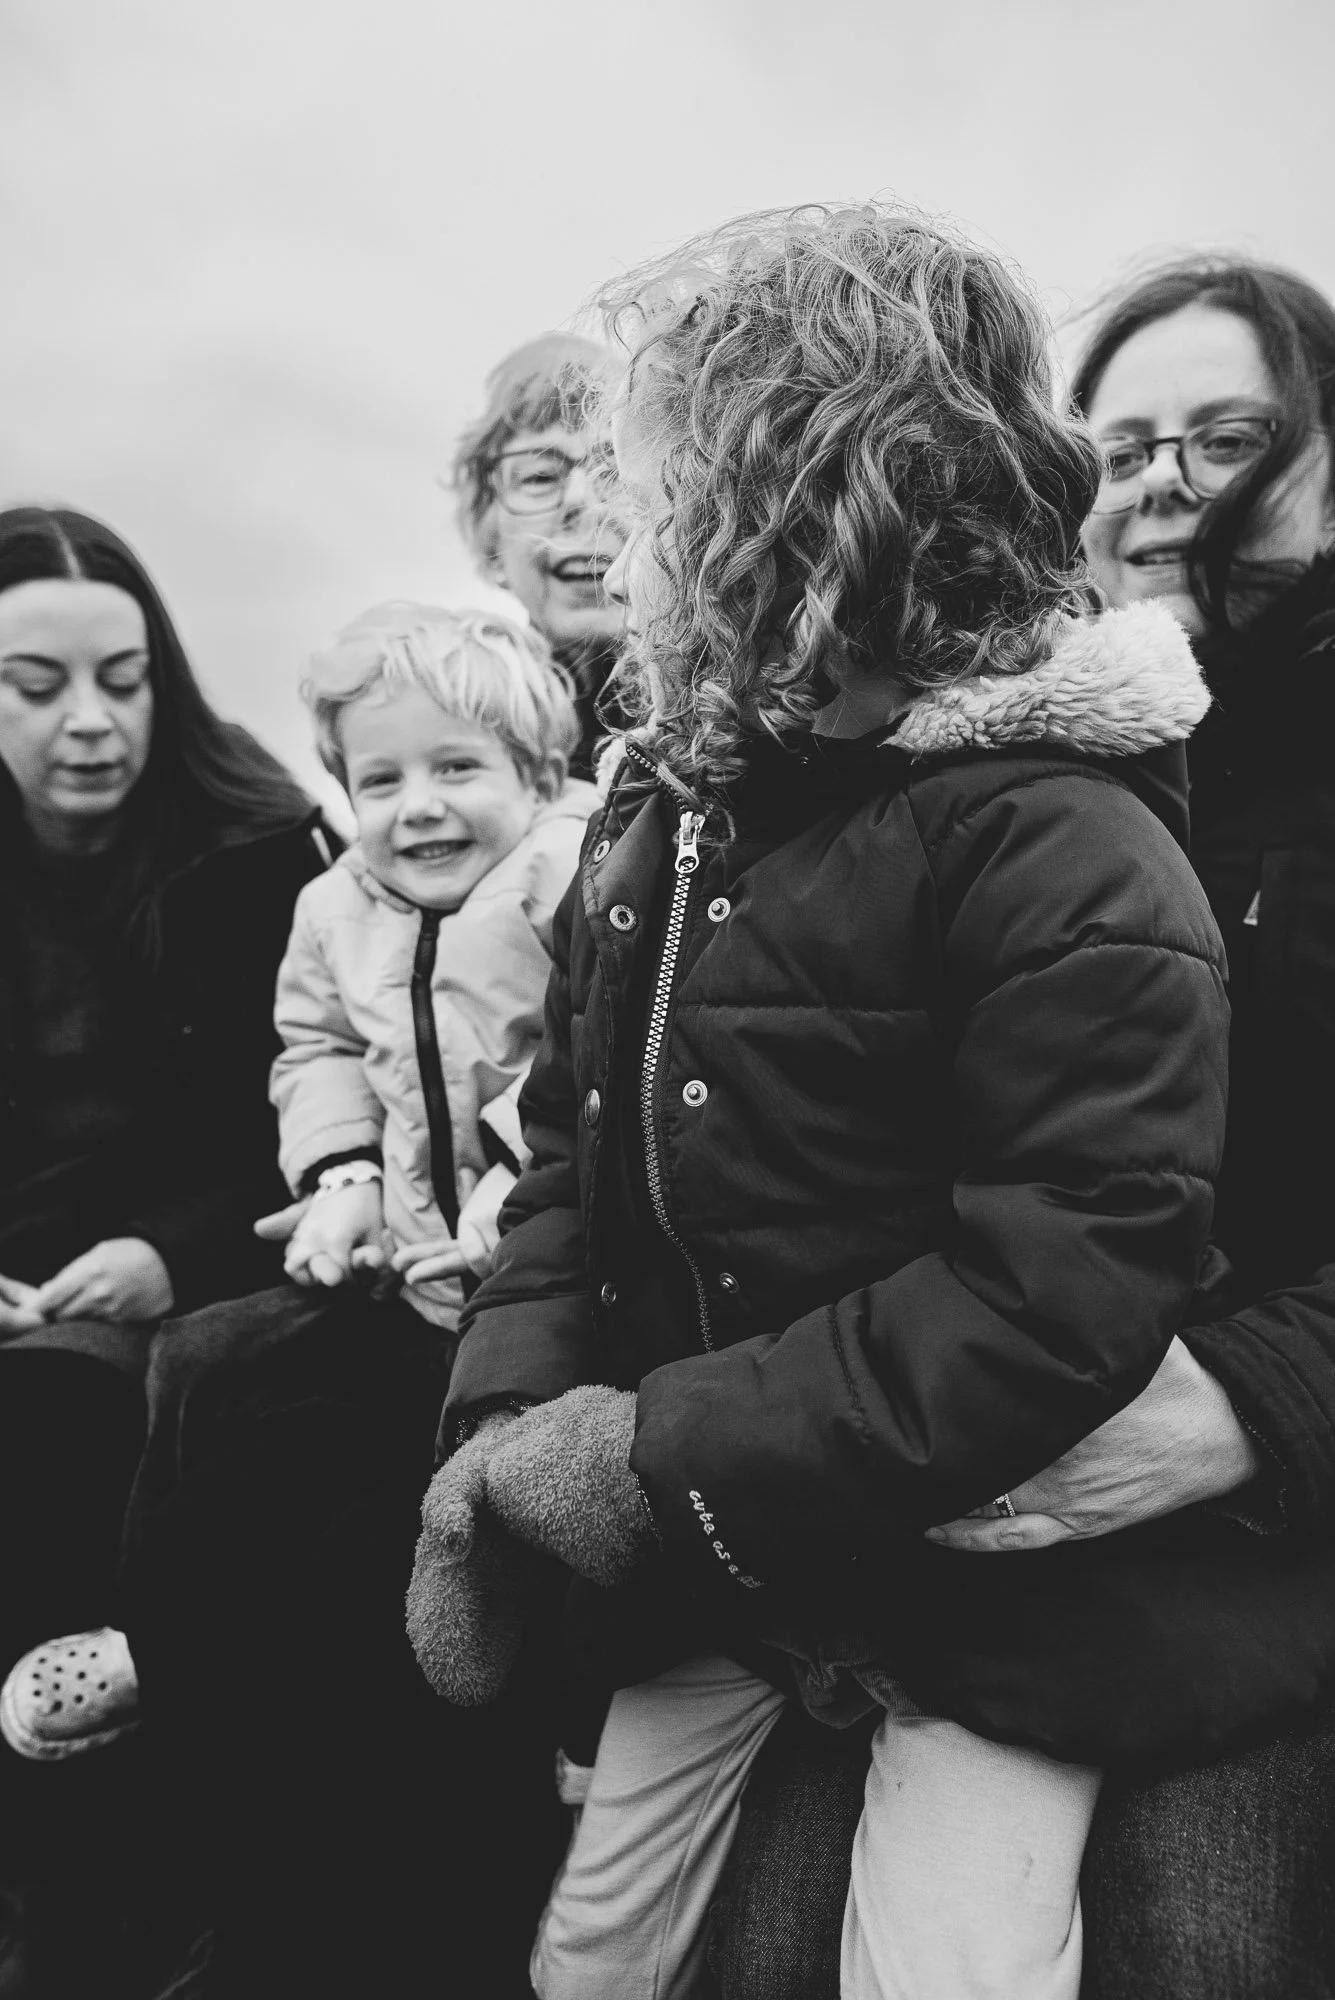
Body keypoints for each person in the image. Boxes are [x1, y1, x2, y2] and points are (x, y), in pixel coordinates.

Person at [405, 204, 1267, 2000]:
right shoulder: (666, 821)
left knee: (944, 1964)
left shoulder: (1065, 843)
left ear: (791, 533)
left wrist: (652, 1461)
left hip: (1004, 1576)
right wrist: (502, 1445)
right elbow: (571, 1168)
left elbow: (1067, 1279)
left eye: (646, 508)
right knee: (591, 1947)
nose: (601, 547)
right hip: (712, 1558)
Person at [713, 256, 1335, 2000]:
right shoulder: (968, 746)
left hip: (1264, 1513)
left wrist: (1262, 1405)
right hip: (944, 1482)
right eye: (1116, 441)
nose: (1157, 482)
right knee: (761, 1945)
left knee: (1198, 1941)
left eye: (1226, 437)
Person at [6, 602, 600, 1995]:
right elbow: (314, 1048)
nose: (418, 809)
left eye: (455, 769)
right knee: (217, 1476)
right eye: (378, 781)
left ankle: (387, 1881)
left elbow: (583, 1052)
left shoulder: (575, 881)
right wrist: (337, 1176)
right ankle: (172, 1649)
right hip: (400, 1291)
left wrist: (498, 1199)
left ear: (530, 766)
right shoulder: (334, 910)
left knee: (365, 1566)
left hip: (546, 1305)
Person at [0, 502, 328, 1986]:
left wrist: (167, 1252)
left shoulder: (257, 847)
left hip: (182, 1277)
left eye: (123, 682)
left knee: (65, 1416)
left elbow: (313, 1096)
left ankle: (101, 1908)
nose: (88, 723)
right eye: (36, 683)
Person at [452, 333, 625, 775]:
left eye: (616, 470)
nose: (581, 500)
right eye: (540, 476)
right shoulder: (452, 740)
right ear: (490, 542)